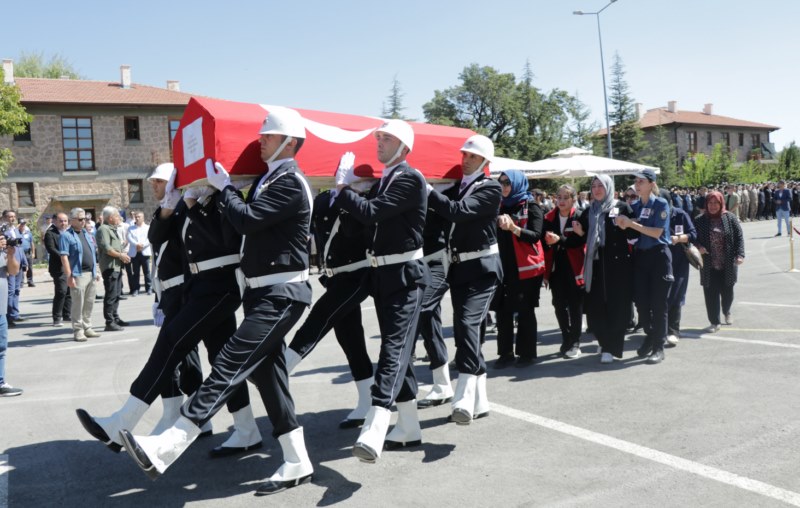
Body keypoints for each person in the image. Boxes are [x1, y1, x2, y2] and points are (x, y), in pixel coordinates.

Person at [119, 107, 315, 496]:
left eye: (269, 137)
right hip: (260, 292)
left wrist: (224, 189)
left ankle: (171, 441)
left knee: (229, 362)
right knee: (267, 376)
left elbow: (247, 220)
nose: (260, 141)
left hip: (283, 292)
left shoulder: (291, 182)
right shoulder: (268, 179)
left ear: (290, 143)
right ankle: (297, 459)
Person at [77, 168, 254, 460]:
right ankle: (247, 428)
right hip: (201, 289)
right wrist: (171, 206)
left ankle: (123, 420)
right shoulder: (191, 202)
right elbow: (157, 236)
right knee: (221, 358)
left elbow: (220, 239)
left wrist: (199, 202)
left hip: (221, 287)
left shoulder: (223, 199)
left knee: (172, 342)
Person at [334, 119, 428, 462]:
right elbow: (358, 225)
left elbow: (372, 214)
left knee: (393, 349)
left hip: (405, 275)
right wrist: (347, 195)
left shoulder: (409, 179)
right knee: (399, 352)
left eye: (386, 139)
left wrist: (346, 191)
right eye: (378, 138)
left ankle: (376, 424)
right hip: (384, 275)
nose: (379, 143)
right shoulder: (385, 181)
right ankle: (410, 427)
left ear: (404, 148)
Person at [283, 171, 375, 428]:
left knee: (320, 316)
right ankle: (367, 401)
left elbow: (353, 227)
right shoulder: (324, 200)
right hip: (335, 277)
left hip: (360, 274)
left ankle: (285, 365)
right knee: (350, 339)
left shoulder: (364, 200)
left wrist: (350, 194)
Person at [427, 134, 502, 423]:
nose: (465, 159)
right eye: (464, 154)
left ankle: (463, 396)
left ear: (484, 161)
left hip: (483, 268)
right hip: (458, 269)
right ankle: (481, 402)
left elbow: (458, 212)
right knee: (466, 329)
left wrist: (430, 191)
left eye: (471, 155)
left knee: (467, 324)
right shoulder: (456, 187)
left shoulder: (490, 188)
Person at [572, 175, 636, 364]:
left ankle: (611, 347)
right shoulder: (588, 211)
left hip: (618, 265)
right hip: (596, 265)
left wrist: (627, 225)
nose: (597, 189)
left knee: (617, 306)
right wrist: (577, 234)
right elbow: (581, 238)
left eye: (601, 185)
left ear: (609, 187)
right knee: (596, 307)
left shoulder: (622, 208)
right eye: (594, 186)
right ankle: (604, 340)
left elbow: (633, 234)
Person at [615, 169, 673, 365]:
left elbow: (657, 232)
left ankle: (658, 347)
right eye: (636, 181)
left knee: (658, 304)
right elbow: (629, 226)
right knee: (641, 302)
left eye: (641, 181)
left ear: (651, 184)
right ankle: (650, 335)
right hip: (641, 258)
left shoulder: (661, 203)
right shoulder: (636, 205)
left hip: (659, 256)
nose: (637, 184)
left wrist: (631, 224)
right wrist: (623, 223)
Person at [493, 170, 545, 368]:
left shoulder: (531, 206)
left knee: (525, 311)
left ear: (516, 183)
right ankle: (505, 353)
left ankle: (527, 354)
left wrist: (513, 228)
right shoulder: (498, 206)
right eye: (501, 182)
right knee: (503, 311)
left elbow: (535, 235)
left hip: (525, 268)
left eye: (507, 182)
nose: (504, 186)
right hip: (503, 267)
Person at [543, 184, 586, 358]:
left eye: (565, 197)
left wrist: (558, 239)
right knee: (558, 304)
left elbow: (576, 242)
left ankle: (575, 341)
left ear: (573, 199)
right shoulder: (549, 217)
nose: (560, 201)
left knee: (575, 304)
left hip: (575, 265)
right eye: (558, 197)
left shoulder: (580, 216)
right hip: (556, 266)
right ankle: (566, 336)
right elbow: (544, 242)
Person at [694, 191, 745, 332]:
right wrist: (699, 247)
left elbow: (739, 237)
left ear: (721, 203)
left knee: (727, 292)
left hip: (728, 262)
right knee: (710, 293)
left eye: (716, 203)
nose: (713, 206)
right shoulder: (700, 220)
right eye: (710, 203)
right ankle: (714, 322)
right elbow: (693, 238)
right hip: (708, 263)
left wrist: (740, 254)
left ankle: (727, 311)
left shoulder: (730, 218)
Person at [59, 208, 101, 342]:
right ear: (72, 220)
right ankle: (78, 330)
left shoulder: (86, 233)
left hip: (91, 273)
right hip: (78, 274)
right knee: (78, 304)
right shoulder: (66, 235)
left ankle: (87, 327)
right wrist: (69, 276)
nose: (84, 222)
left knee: (89, 303)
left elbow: (93, 254)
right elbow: (64, 257)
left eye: (86, 219)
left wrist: (97, 271)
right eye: (81, 219)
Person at [665, 204, 697, 346]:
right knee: (661, 296)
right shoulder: (651, 212)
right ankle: (660, 330)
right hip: (659, 261)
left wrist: (679, 238)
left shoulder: (680, 214)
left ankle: (673, 331)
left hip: (679, 262)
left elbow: (693, 234)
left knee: (676, 295)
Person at [96, 207, 131, 331]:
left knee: (116, 294)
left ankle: (115, 318)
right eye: (117, 216)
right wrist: (121, 255)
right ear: (110, 218)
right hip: (110, 267)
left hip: (116, 266)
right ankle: (109, 322)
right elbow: (107, 248)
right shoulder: (103, 229)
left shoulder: (111, 228)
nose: (119, 218)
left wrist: (122, 249)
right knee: (111, 295)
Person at [0, 235, 22, 396]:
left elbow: (13, 270)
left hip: (1, 309)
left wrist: (11, 254)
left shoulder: (3, 253)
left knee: (1, 348)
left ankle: (0, 383)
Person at [45, 213, 71, 327]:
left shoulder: (69, 232)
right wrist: (64, 256)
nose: (63, 223)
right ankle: (57, 318)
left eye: (65, 221)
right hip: (58, 267)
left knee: (69, 291)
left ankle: (67, 314)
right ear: (55, 221)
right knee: (61, 291)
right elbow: (51, 249)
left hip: (70, 265)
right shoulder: (50, 233)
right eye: (61, 221)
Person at [3, 210, 26, 326]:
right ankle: (9, 316)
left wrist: (24, 262)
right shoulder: (3, 231)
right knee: (10, 291)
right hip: (10, 264)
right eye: (9, 217)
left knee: (17, 290)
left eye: (13, 216)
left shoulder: (16, 230)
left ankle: (15, 313)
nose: (12, 218)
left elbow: (20, 247)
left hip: (19, 263)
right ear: (4, 218)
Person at [127, 211, 152, 295]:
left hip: (144, 252)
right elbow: (129, 238)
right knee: (136, 272)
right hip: (135, 252)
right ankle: (136, 289)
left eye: (139, 217)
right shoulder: (131, 228)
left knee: (147, 272)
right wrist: (136, 244)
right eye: (136, 217)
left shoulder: (148, 227)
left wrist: (142, 245)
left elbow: (149, 238)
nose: (137, 218)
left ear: (143, 218)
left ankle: (148, 288)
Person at [18, 219, 35, 287]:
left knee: (30, 267)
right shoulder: (16, 233)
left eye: (24, 224)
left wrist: (33, 253)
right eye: (21, 224)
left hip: (28, 252)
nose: (23, 226)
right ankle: (21, 282)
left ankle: (30, 281)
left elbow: (32, 243)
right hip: (20, 253)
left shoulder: (28, 233)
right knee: (21, 267)